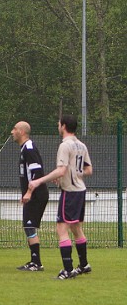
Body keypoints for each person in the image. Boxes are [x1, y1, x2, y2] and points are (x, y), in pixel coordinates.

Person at [26, 114, 93, 280]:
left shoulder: (65, 145)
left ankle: (68, 269)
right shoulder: (81, 145)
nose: (58, 126)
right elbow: (88, 170)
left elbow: (62, 170)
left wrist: (38, 181)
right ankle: (84, 264)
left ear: (63, 126)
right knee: (76, 228)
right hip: (80, 190)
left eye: (58, 124)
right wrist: (72, 174)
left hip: (70, 192)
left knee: (61, 230)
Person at [11, 121, 49, 271]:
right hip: (33, 194)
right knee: (28, 226)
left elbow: (37, 172)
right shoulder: (24, 149)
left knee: (29, 225)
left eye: (14, 129)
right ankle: (34, 261)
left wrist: (29, 192)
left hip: (37, 194)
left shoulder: (29, 148)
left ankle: (36, 263)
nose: (12, 132)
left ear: (21, 132)